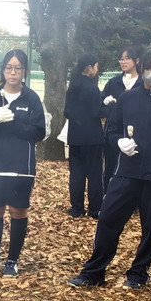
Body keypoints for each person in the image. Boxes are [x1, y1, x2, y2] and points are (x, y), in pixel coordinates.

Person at [67, 46, 151, 289]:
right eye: (147, 67)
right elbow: (112, 130)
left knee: (150, 229)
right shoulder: (128, 98)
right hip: (125, 172)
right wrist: (119, 142)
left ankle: (138, 273)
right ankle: (94, 271)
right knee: (108, 219)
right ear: (141, 69)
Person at [0, 49, 48, 277]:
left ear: (24, 71)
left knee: (18, 211)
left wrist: (14, 121)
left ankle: (12, 260)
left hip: (20, 167)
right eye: (9, 68)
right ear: (2, 70)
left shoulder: (31, 98)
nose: (13, 72)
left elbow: (38, 132)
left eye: (17, 68)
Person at [62, 53, 105, 219]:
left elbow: (67, 112)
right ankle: (95, 209)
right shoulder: (92, 88)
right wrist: (108, 106)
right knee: (94, 174)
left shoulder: (72, 87)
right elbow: (97, 112)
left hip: (75, 136)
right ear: (89, 67)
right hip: (92, 137)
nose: (97, 69)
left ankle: (77, 208)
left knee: (76, 174)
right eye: (96, 66)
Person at [101, 46, 142, 184]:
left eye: (127, 58)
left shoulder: (143, 83)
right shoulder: (113, 83)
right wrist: (109, 107)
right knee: (111, 169)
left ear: (136, 61)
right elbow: (100, 108)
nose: (123, 62)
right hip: (114, 134)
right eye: (121, 59)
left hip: (137, 133)